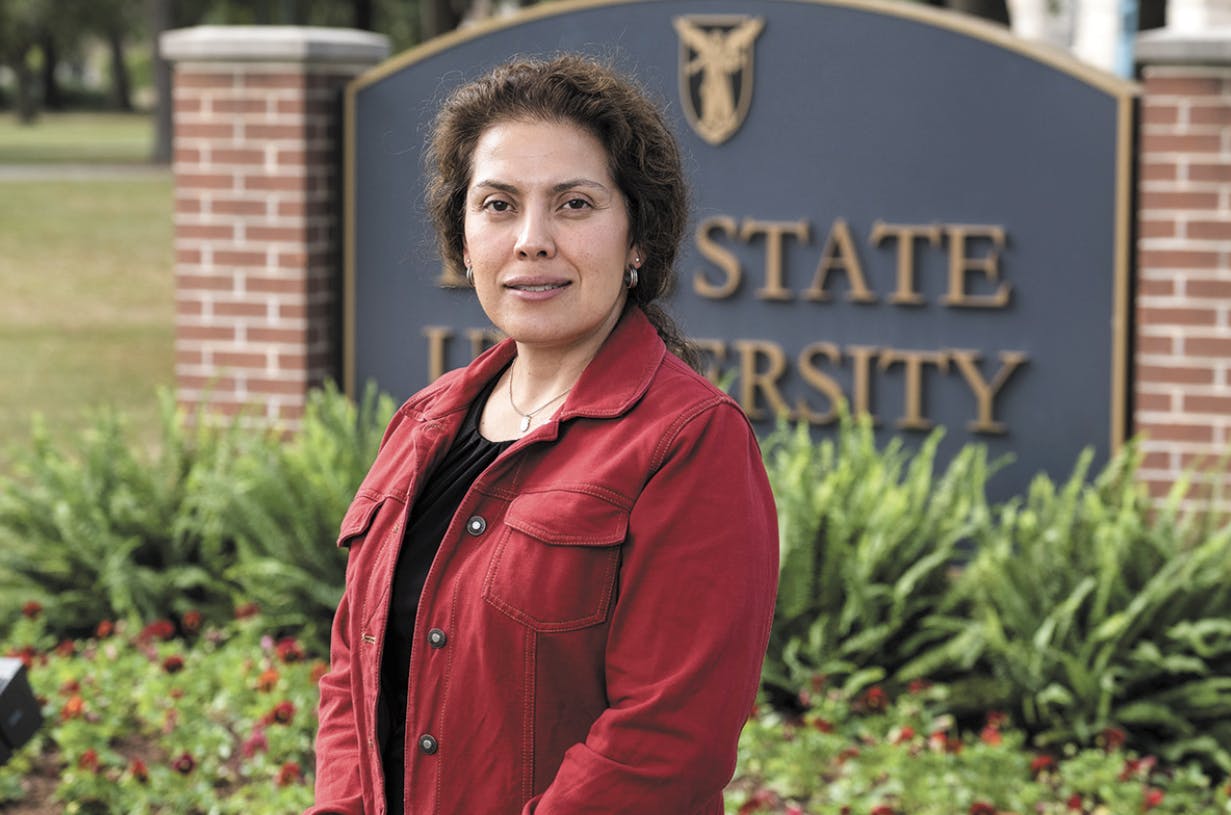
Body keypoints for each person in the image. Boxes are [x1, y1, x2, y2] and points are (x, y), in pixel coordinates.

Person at [308, 54, 779, 815]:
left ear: (638, 237)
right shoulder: (424, 423)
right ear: (464, 240)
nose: (531, 239)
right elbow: (351, 675)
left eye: (574, 204)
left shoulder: (689, 443)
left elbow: (665, 742)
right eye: (498, 204)